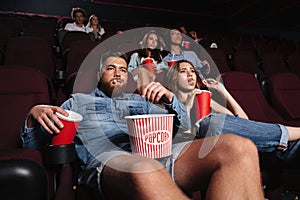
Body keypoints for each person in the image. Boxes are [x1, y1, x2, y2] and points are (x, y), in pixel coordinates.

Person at [20, 51, 264, 199]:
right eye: (110, 69)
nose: (118, 74)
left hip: (159, 154)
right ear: (99, 75)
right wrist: (33, 116)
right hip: (108, 161)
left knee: (238, 147)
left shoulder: (140, 100)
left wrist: (171, 99)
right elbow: (36, 146)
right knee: (144, 167)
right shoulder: (78, 101)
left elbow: (185, 128)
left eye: (123, 70)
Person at [164, 59, 300, 160]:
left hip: (238, 147)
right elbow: (184, 136)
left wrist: (223, 91)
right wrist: (188, 105)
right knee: (213, 122)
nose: (190, 74)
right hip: (203, 151)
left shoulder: (206, 100)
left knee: (292, 148)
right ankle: (286, 134)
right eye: (183, 71)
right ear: (173, 77)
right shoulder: (170, 102)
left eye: (192, 71)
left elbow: (242, 122)